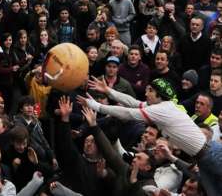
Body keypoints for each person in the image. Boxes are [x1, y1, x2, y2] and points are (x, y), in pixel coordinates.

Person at [77, 76, 222, 195]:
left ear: (159, 95)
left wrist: (95, 105)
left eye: (150, 91)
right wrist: (109, 91)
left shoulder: (162, 109)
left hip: (211, 154)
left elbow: (128, 113)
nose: (146, 94)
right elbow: (133, 103)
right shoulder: (163, 106)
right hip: (203, 158)